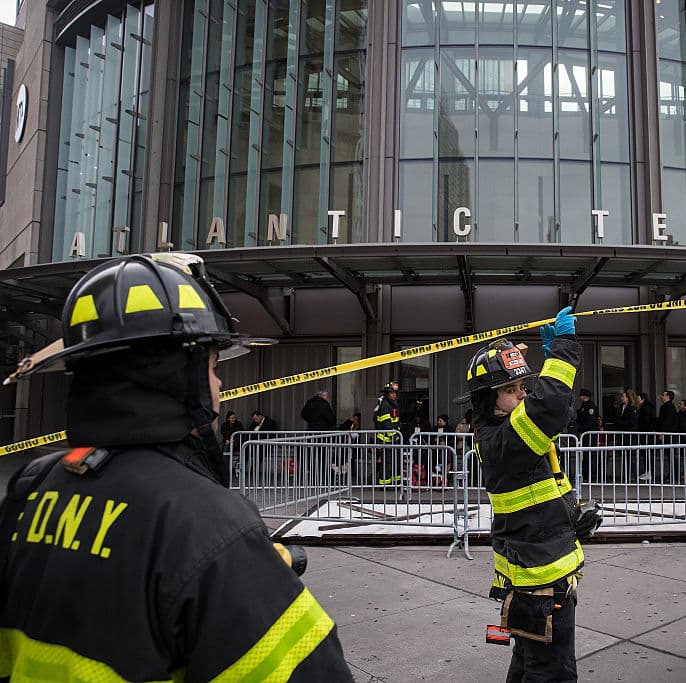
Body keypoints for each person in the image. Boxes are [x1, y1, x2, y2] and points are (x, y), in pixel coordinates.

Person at [0, 253, 353, 679]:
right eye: (213, 367)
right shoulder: (207, 524)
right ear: (179, 375)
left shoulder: (31, 487)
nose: (220, 384)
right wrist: (242, 571)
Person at [460, 306, 596, 681]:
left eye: (523, 387)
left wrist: (570, 516)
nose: (522, 395)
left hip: (533, 573)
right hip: (541, 578)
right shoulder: (506, 438)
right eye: (510, 390)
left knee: (527, 665)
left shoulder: (503, 430)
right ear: (487, 399)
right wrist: (564, 348)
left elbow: (560, 412)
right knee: (551, 673)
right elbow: (549, 407)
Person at [373, 382, 402, 484]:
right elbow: (386, 423)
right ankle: (385, 484)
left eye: (395, 393)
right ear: (387, 394)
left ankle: (396, 482)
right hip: (386, 440)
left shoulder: (393, 404)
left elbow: (395, 421)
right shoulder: (385, 405)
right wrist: (395, 436)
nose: (394, 395)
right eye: (391, 393)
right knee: (388, 463)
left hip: (393, 439)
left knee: (395, 461)